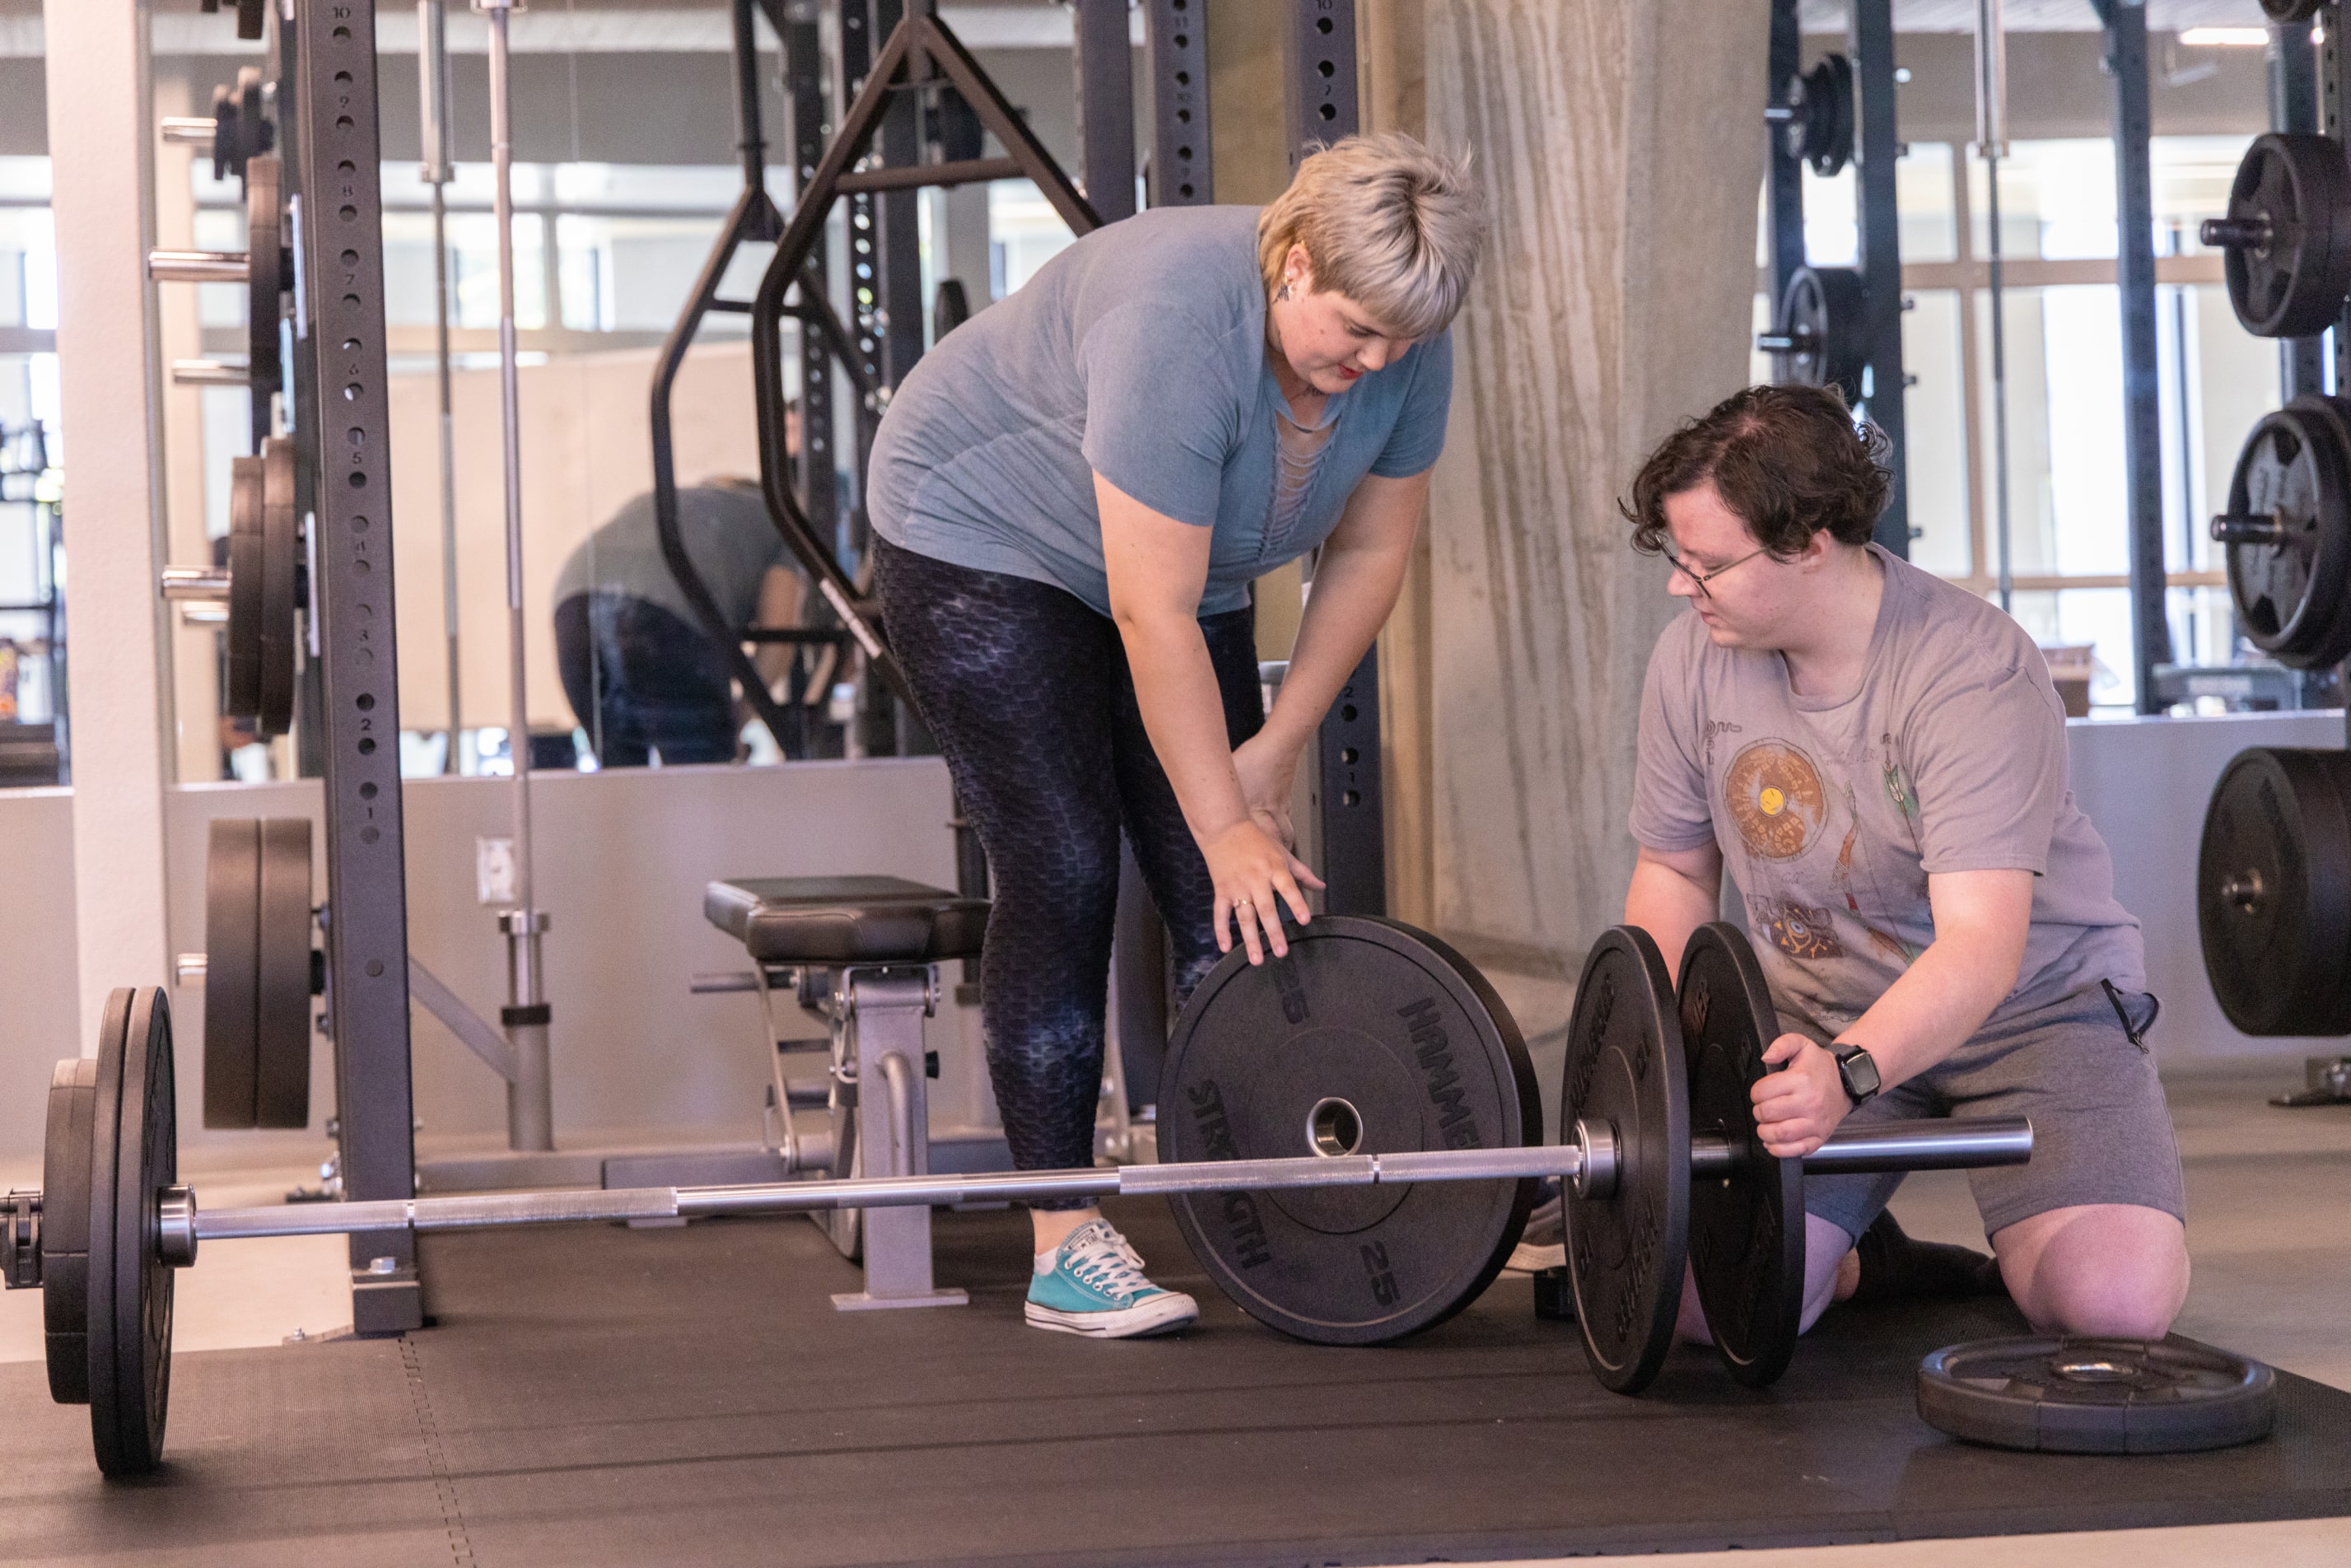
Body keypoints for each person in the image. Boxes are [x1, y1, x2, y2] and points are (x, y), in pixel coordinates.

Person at [865, 133, 1487, 1337]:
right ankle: (1059, 1236)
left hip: (1184, 570)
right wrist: (1218, 819)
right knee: (1063, 862)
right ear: (1292, 264)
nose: (1374, 363)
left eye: (1399, 342)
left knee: (1233, 890)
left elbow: (1367, 551)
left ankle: (1256, 1199)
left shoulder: (1407, 338)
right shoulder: (1176, 320)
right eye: (1354, 331)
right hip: (983, 545)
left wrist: (1272, 754)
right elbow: (1144, 613)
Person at [1619, 382, 2190, 1343]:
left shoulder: (1967, 672)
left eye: (1706, 563)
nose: (1682, 584)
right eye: (1676, 558)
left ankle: (2037, 1230)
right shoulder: (1691, 661)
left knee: (2109, 1306)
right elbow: (1674, 874)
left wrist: (1849, 1071)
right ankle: (1859, 1256)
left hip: (2028, 1014)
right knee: (1694, 1305)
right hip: (1814, 1017)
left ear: (1806, 542)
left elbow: (1977, 948)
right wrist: (1647, 1072)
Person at [551, 470, 818, 767]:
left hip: (573, 603)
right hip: (664, 610)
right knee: (700, 781)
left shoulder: (662, 502)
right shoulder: (781, 519)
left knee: (621, 782)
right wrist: (736, 721)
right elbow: (778, 642)